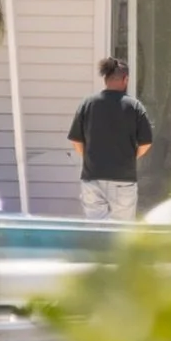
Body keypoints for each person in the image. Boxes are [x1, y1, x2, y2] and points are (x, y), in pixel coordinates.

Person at [68, 57, 153, 220]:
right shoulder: (134, 106)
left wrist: (89, 157)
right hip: (123, 179)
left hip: (92, 177)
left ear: (105, 79)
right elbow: (146, 142)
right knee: (121, 231)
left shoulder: (88, 104)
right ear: (125, 79)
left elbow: (76, 140)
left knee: (96, 228)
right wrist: (131, 157)